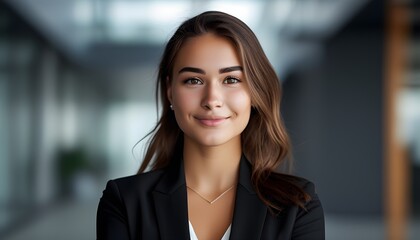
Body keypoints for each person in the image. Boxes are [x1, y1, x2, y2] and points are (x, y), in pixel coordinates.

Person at [96, 11, 324, 240]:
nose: (212, 100)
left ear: (255, 92)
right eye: (193, 80)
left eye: (231, 80)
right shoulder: (124, 202)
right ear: (170, 91)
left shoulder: (298, 206)